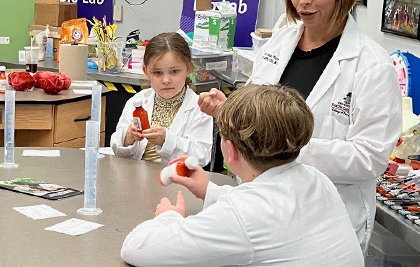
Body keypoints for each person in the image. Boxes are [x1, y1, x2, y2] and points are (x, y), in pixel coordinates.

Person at [197, 0, 401, 250]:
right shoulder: (281, 42)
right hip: (262, 208)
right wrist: (231, 110)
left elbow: (369, 158)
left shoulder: (371, 65)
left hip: (325, 221)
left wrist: (285, 149)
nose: (302, 0)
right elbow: (258, 110)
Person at [121, 85, 364, 267]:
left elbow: (136, 248)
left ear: (230, 150)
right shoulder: (316, 179)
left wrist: (170, 218)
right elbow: (269, 207)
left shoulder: (242, 216)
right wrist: (210, 191)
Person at [110, 33, 213, 166]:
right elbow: (117, 148)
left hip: (176, 182)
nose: (166, 80)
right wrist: (128, 137)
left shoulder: (199, 108)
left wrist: (167, 141)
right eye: (158, 73)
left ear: (189, 69)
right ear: (146, 71)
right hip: (136, 178)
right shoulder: (138, 101)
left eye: (174, 71)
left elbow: (201, 156)